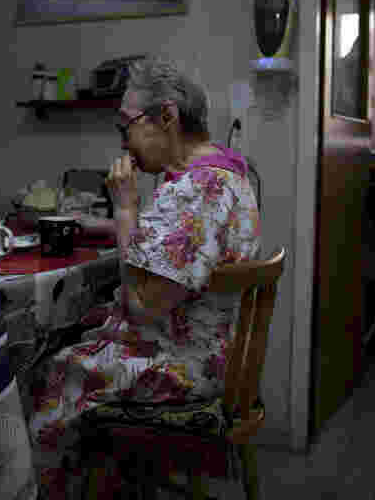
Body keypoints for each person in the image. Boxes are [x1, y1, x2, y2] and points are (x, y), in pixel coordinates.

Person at [28, 57, 261, 500]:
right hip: (212, 351)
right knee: (72, 335)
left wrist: (126, 211)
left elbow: (141, 306)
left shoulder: (196, 191)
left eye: (126, 126)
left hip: (182, 366)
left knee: (44, 367)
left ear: (168, 116)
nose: (123, 142)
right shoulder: (227, 175)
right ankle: (116, 483)